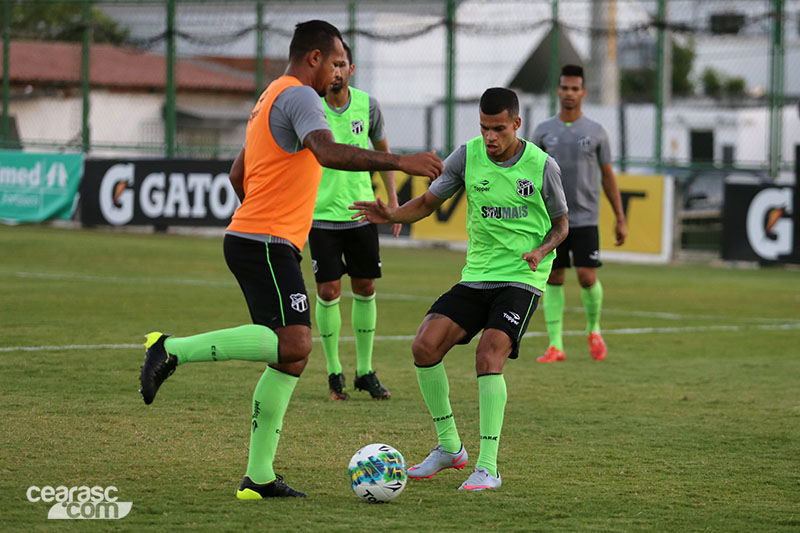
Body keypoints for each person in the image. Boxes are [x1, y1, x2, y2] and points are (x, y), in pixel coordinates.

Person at [137, 20, 442, 500]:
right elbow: (327, 152)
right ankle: (172, 348)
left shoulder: (270, 96)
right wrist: (401, 162)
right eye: (335, 62)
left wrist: (260, 209)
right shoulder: (301, 95)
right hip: (264, 241)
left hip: (259, 237)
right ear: (314, 58)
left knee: (291, 359)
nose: (338, 75)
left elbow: (239, 171)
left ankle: (258, 477)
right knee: (296, 342)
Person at [351, 87, 568, 491]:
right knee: (424, 346)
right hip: (477, 276)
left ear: (517, 125)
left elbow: (561, 224)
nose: (490, 137)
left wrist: (542, 249)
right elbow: (429, 203)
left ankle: (488, 467)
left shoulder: (542, 166)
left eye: (499, 129)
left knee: (489, 354)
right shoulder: (467, 156)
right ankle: (451, 448)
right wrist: (392, 213)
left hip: (523, 278)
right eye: (485, 128)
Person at [310, 42, 399, 402]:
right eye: (331, 65)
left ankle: (365, 371)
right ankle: (334, 373)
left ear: (352, 69)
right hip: (321, 214)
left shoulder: (368, 105)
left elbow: (381, 151)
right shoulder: (310, 106)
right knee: (328, 292)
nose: (336, 72)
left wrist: (392, 199)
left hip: (361, 212)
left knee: (365, 287)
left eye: (341, 64)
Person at [531, 64, 627, 364]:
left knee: (587, 276)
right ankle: (555, 345)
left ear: (583, 92)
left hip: (585, 218)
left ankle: (594, 329)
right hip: (551, 219)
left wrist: (620, 218)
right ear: (558, 91)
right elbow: (530, 174)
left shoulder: (597, 132)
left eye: (575, 88)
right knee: (555, 278)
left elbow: (608, 176)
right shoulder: (543, 131)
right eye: (564, 88)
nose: (569, 93)